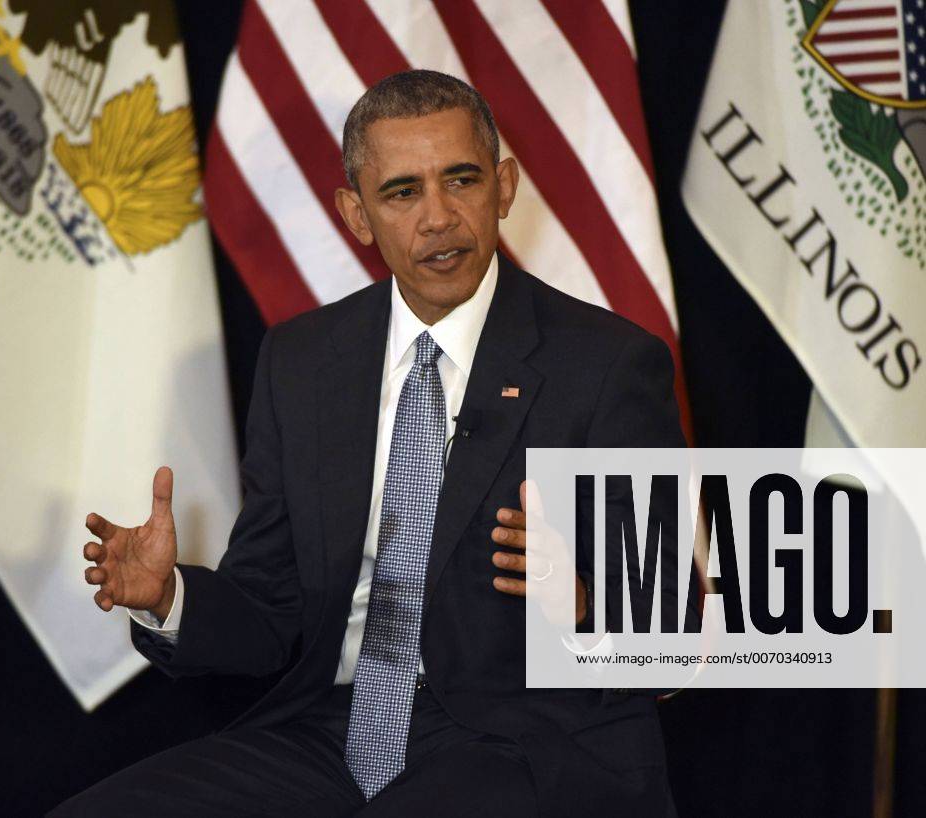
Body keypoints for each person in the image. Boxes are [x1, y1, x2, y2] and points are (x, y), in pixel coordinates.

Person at [50, 69, 685, 818]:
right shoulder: (304, 361)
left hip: (526, 741)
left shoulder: (607, 364)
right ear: (356, 214)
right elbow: (271, 607)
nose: (440, 218)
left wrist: (581, 603)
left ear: (504, 188)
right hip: (333, 732)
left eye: (462, 180)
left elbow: (668, 627)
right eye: (402, 192)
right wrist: (170, 596)